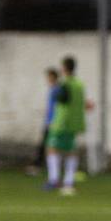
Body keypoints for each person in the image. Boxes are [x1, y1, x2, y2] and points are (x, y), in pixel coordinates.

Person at [44, 56, 85, 196]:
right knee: (70, 152)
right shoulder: (79, 84)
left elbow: (61, 99)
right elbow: (80, 103)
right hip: (74, 123)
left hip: (61, 122)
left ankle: (54, 180)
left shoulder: (64, 84)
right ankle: (68, 182)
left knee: (52, 149)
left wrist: (54, 90)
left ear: (64, 68)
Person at [28, 67, 60, 175]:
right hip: (48, 121)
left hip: (53, 123)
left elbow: (58, 107)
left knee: (47, 145)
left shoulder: (57, 90)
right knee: (45, 145)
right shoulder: (51, 89)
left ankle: (37, 167)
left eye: (49, 76)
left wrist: (53, 121)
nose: (47, 79)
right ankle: (40, 166)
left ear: (54, 77)